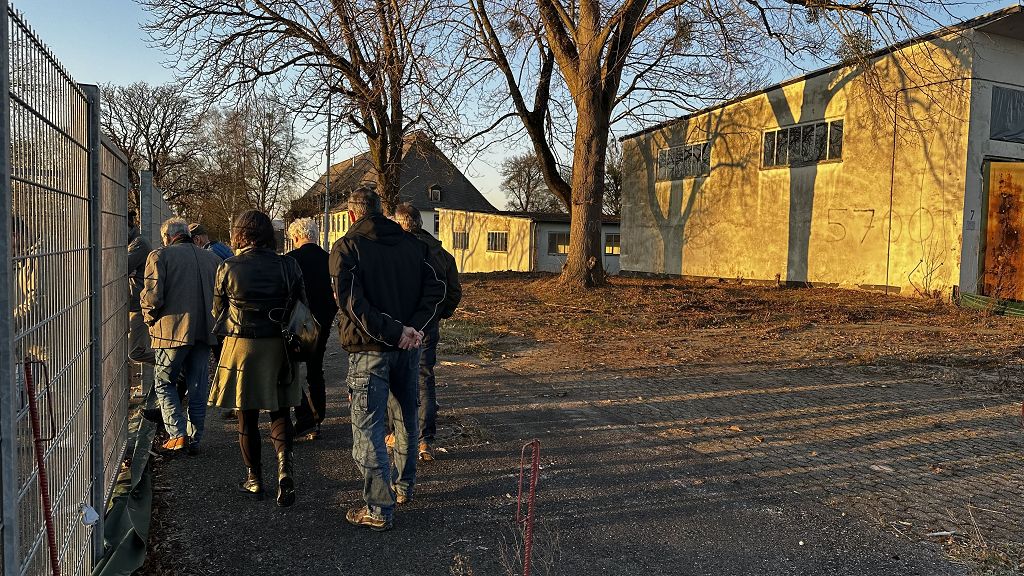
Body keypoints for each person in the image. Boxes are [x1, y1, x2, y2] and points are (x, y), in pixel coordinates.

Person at [330, 188, 445, 531]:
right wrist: (413, 329)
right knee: (405, 418)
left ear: (352, 214)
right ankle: (403, 487)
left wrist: (399, 332)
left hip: (370, 349)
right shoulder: (414, 244)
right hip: (406, 347)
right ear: (381, 211)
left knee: (368, 429)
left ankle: (379, 508)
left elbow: (351, 303)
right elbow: (436, 290)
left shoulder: (347, 248)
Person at [209, 210, 306, 508]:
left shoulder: (228, 266)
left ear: (240, 234)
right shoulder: (289, 265)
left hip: (242, 347)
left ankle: (254, 479)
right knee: (280, 411)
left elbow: (217, 311)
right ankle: (284, 468)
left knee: (246, 414)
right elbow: (302, 305)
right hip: (280, 346)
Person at [141, 217, 221, 454]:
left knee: (164, 382)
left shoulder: (159, 256)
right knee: (198, 386)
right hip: (204, 331)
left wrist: (149, 318)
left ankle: (177, 434)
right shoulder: (213, 259)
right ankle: (195, 438)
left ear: (167, 237)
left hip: (171, 332)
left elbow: (152, 297)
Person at [392, 203, 461, 461]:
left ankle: (397, 433)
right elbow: (454, 291)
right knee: (424, 378)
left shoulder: (396, 251)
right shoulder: (441, 253)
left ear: (400, 224)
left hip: (400, 326)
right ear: (420, 223)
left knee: (396, 378)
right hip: (428, 325)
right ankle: (424, 440)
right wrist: (441, 313)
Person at [285, 218, 338, 440]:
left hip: (296, 323)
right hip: (322, 322)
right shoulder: (329, 259)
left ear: (296, 236)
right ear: (315, 235)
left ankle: (304, 415)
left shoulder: (290, 260)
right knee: (316, 370)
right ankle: (317, 417)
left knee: (290, 369)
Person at [127, 210, 155, 365]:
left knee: (135, 352)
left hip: (139, 305)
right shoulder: (133, 242)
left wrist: (126, 271)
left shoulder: (138, 243)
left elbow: (119, 268)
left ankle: (175, 365)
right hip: (134, 303)